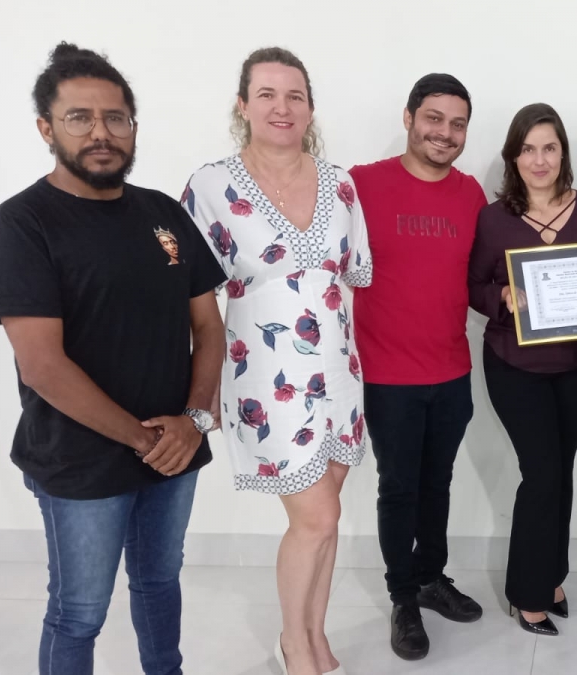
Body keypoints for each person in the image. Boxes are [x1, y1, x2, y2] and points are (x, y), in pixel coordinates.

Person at [0, 43, 225, 675]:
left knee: (159, 583)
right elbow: (42, 366)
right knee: (79, 612)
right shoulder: (22, 224)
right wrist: (146, 439)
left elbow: (208, 328)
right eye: (79, 118)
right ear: (46, 128)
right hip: (80, 461)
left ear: (133, 126)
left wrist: (194, 420)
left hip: (175, 449)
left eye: (115, 117)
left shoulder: (164, 213)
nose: (100, 133)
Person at [180, 47, 371, 675]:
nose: (281, 107)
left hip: (338, 369)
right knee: (316, 516)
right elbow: (190, 295)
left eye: (294, 96)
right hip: (265, 375)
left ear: (310, 108)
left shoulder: (340, 183)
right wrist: (198, 384)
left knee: (328, 514)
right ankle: (294, 643)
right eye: (266, 94)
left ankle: (315, 632)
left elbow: (354, 273)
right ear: (243, 105)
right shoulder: (211, 186)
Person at [350, 73, 488, 661]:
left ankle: (431, 577)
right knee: (399, 487)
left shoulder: (471, 194)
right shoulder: (360, 184)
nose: (445, 133)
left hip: (452, 370)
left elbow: (485, 278)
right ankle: (403, 597)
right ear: (409, 118)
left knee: (438, 483)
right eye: (434, 118)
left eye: (458, 124)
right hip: (387, 375)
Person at [468, 103, 577, 636]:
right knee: (543, 474)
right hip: (514, 364)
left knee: (561, 472)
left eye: (549, 147)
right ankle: (527, 593)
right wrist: (502, 297)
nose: (539, 159)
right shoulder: (493, 218)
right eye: (528, 149)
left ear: (563, 153)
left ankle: (552, 577)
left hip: (575, 365)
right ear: (513, 156)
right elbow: (474, 286)